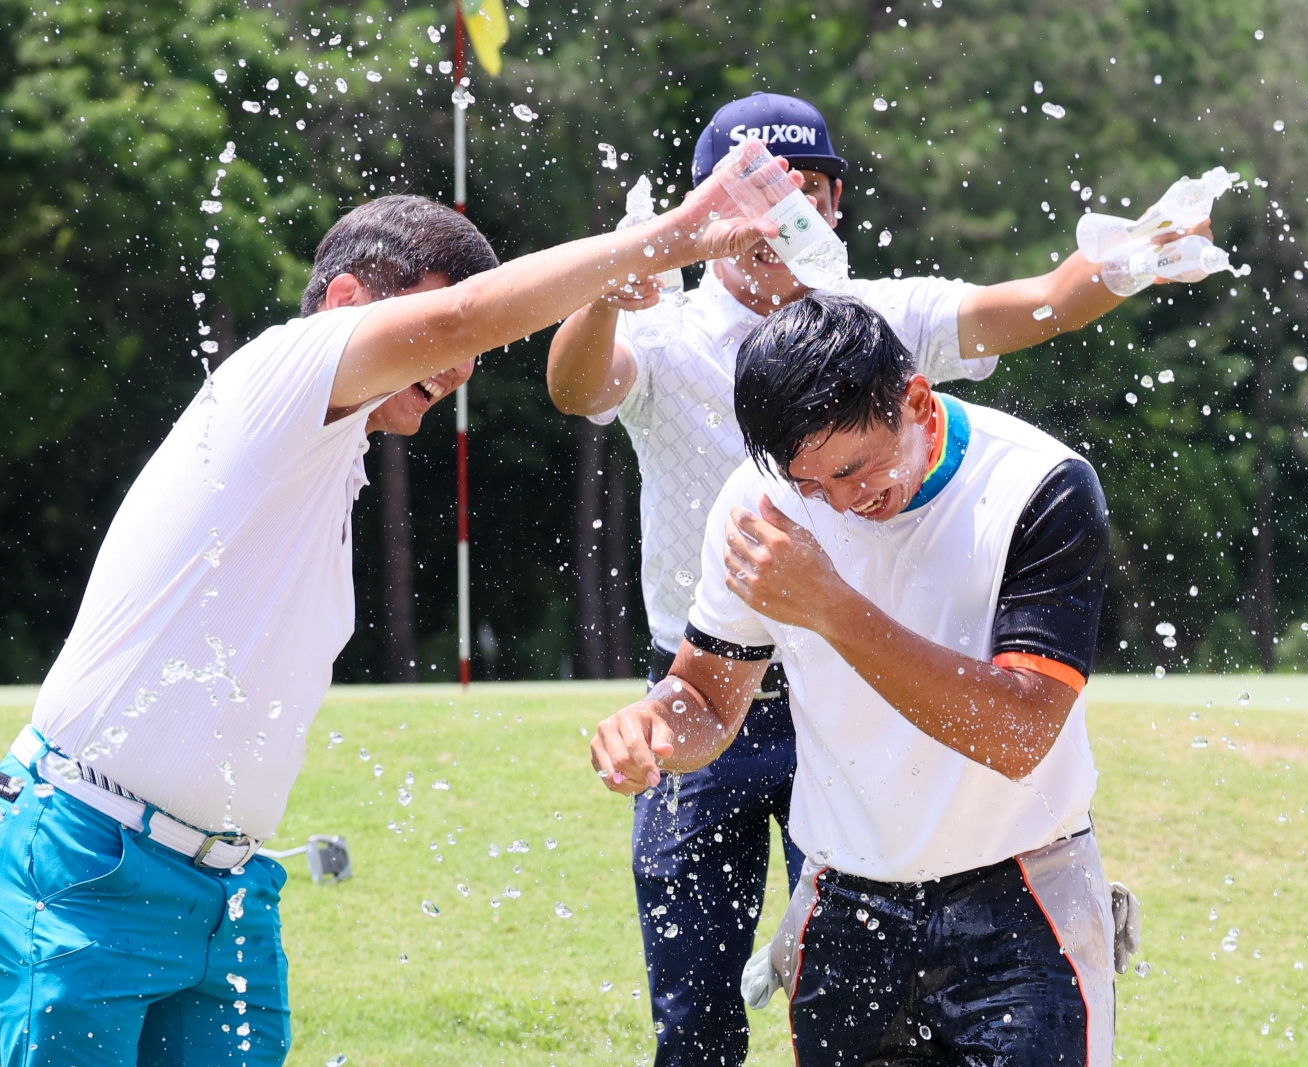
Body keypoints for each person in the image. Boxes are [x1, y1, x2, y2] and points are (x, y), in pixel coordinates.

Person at [0, 182, 791, 1066]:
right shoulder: (279, 371)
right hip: (87, 858)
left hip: (227, 887)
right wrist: (673, 237)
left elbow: (457, 324)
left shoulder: (324, 453)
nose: (462, 370)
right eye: (447, 336)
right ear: (346, 304)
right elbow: (462, 319)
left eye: (472, 354)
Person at [547, 91, 1205, 1067]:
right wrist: (659, 721)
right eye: (747, 197)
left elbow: (1046, 303)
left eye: (797, 193)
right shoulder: (710, 404)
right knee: (693, 1007)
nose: (829, 500)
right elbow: (575, 392)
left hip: (976, 818)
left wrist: (1136, 251)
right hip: (733, 673)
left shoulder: (903, 337)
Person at [591, 292, 1119, 1066]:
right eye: (812, 485)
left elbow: (1018, 733)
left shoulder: (1039, 485)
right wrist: (653, 726)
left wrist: (831, 607)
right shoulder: (761, 504)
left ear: (914, 398)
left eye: (854, 468)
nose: (841, 503)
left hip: (1024, 895)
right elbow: (706, 696)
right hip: (846, 903)